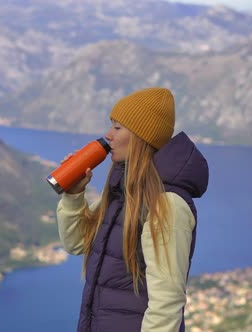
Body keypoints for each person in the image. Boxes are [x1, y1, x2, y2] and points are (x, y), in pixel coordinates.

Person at [56, 87, 209, 332]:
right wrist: (74, 196)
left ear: (141, 136)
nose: (108, 135)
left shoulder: (166, 204)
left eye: (118, 128)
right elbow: (76, 243)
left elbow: (166, 303)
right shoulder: (123, 195)